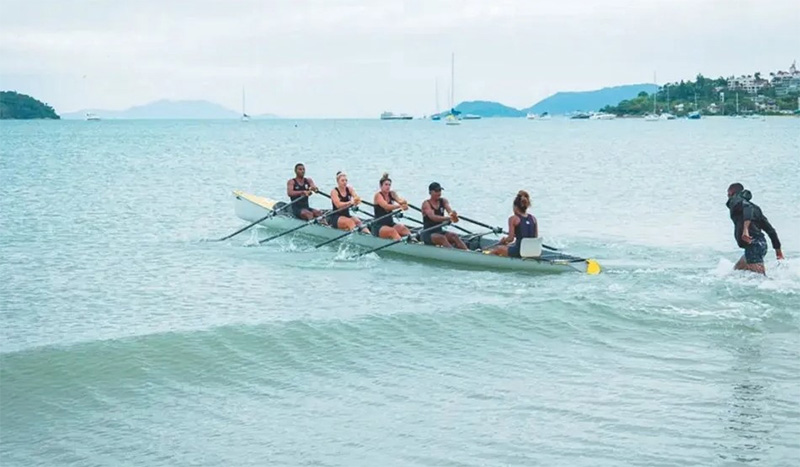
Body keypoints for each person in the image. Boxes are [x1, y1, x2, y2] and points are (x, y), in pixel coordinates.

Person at [726, 183, 784, 275]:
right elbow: (770, 230)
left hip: (753, 245)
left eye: (728, 194)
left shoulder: (736, 201)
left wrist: (745, 230)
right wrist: (778, 251)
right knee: (734, 273)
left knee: (762, 280)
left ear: (731, 193)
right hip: (761, 245)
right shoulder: (756, 208)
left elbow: (746, 207)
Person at [420, 182, 467, 249]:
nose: (439, 193)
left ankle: (467, 251)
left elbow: (451, 214)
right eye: (436, 191)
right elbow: (433, 217)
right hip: (428, 233)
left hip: (439, 231)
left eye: (440, 190)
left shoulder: (443, 201)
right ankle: (453, 253)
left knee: (454, 236)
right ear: (430, 192)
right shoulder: (426, 204)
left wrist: (454, 216)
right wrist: (447, 218)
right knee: (441, 238)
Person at [491, 190, 538, 257]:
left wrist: (503, 240)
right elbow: (535, 238)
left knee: (497, 249)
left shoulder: (513, 219)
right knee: (510, 246)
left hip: (519, 252)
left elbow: (511, 239)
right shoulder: (533, 219)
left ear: (515, 207)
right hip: (532, 251)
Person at [371, 173, 411, 240]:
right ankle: (402, 245)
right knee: (392, 231)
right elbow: (386, 206)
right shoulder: (378, 196)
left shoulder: (392, 193)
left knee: (403, 228)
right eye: (386, 185)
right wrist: (400, 207)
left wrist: (404, 204)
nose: (388, 187)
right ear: (381, 186)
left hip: (390, 223)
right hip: (379, 226)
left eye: (389, 185)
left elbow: (400, 201)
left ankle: (414, 241)